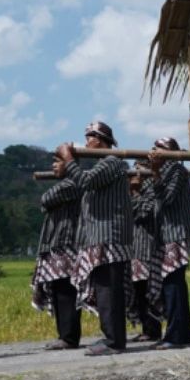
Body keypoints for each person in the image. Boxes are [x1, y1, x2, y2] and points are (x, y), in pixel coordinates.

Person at [56, 121, 133, 356]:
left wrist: (69, 161)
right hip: (101, 238)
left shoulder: (113, 162)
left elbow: (86, 181)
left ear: (99, 139)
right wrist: (72, 166)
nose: (87, 142)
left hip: (109, 237)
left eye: (89, 137)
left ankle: (114, 341)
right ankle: (111, 337)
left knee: (109, 290)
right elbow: (85, 181)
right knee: (104, 289)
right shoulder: (103, 166)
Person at [148, 137, 190, 349]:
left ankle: (176, 336)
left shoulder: (176, 170)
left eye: (159, 148)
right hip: (166, 235)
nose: (154, 151)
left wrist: (156, 173)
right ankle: (180, 334)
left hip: (175, 234)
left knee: (173, 287)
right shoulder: (165, 172)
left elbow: (166, 198)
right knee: (172, 286)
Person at [33, 155, 83, 350]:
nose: (53, 166)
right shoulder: (69, 184)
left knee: (66, 291)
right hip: (57, 242)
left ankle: (69, 337)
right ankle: (64, 334)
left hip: (66, 242)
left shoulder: (71, 185)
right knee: (58, 290)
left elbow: (46, 199)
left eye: (58, 161)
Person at [128, 159, 163, 342]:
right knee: (139, 291)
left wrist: (134, 191)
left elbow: (145, 212)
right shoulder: (138, 189)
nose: (136, 173)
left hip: (146, 247)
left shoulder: (150, 189)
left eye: (139, 169)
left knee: (148, 290)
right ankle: (145, 328)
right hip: (134, 247)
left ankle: (152, 330)